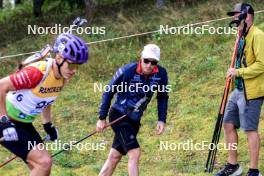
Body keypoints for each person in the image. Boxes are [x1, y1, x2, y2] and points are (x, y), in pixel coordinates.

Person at [0, 33, 88, 176]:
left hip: (23, 123)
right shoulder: (37, 72)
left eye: (78, 66)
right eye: (72, 64)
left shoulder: (62, 77)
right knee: (44, 162)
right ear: (59, 58)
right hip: (6, 120)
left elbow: (47, 98)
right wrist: (3, 122)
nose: (74, 70)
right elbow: (1, 87)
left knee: (42, 168)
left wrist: (48, 125)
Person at [96, 44, 169, 176]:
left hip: (134, 119)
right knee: (134, 153)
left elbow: (163, 97)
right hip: (119, 115)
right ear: (141, 58)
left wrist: (161, 119)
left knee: (114, 156)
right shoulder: (128, 70)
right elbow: (108, 91)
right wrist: (101, 118)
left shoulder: (161, 74)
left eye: (153, 62)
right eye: (146, 60)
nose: (149, 65)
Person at [216, 3, 264, 176]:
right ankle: (233, 165)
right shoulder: (240, 35)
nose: (234, 18)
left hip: (252, 91)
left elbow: (261, 65)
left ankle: (254, 170)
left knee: (250, 129)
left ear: (248, 16)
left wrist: (238, 72)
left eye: (237, 15)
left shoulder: (258, 35)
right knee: (228, 124)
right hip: (237, 90)